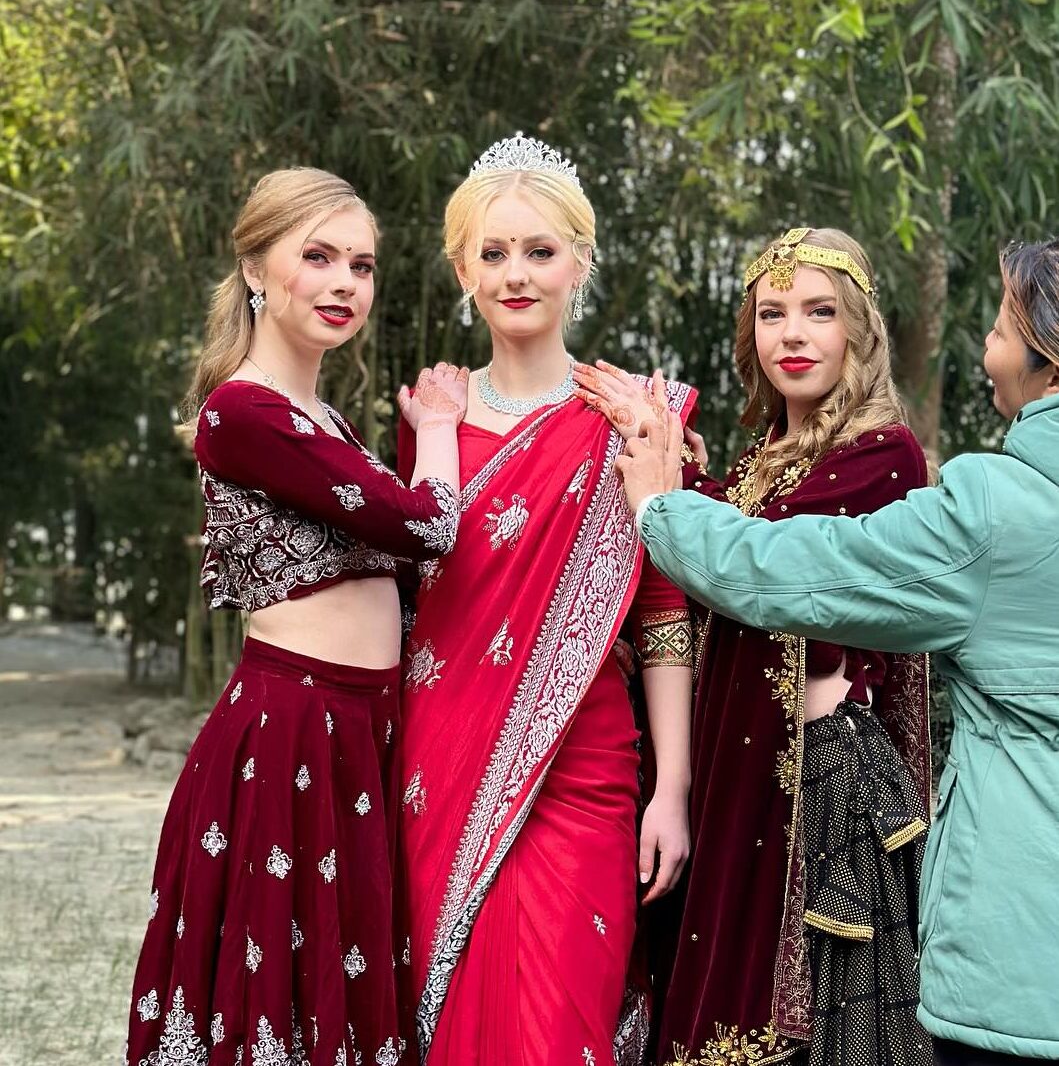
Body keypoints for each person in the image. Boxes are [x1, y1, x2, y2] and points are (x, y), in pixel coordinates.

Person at [621, 237, 1059, 1064]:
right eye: (771, 313)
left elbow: (793, 565)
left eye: (999, 330)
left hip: (980, 909)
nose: (984, 350)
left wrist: (661, 506)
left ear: (1047, 361)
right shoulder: (764, 462)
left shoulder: (981, 502)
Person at [123, 167, 467, 1066]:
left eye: (360, 264)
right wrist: (439, 427)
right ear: (256, 270)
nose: (344, 283)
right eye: (317, 257)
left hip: (365, 727)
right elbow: (429, 524)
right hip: (293, 732)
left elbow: (395, 564)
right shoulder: (242, 412)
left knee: (345, 988)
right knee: (280, 989)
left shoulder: (325, 418)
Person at [577, 228, 932, 1066]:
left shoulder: (880, 455)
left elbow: (755, 562)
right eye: (771, 314)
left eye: (818, 312)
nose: (792, 335)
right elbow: (710, 545)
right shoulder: (757, 463)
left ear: (857, 330)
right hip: (736, 776)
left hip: (815, 790)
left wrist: (666, 484)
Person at [396, 133, 697, 1066]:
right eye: (492, 253)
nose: (516, 274)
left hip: (585, 766)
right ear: (461, 270)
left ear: (580, 262)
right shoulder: (430, 422)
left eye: (538, 251)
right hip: (441, 756)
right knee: (451, 1016)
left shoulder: (635, 415)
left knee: (561, 1019)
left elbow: (663, 618)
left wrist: (673, 789)